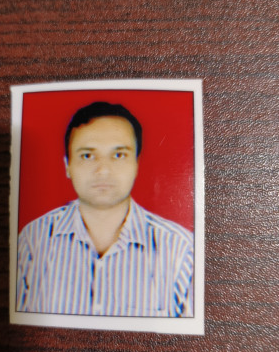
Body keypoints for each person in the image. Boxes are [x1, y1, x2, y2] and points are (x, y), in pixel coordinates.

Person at [17, 102, 194, 317]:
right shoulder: (33, 240)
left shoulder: (180, 250)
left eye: (119, 155)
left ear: (136, 164)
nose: (102, 171)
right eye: (87, 155)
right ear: (67, 166)